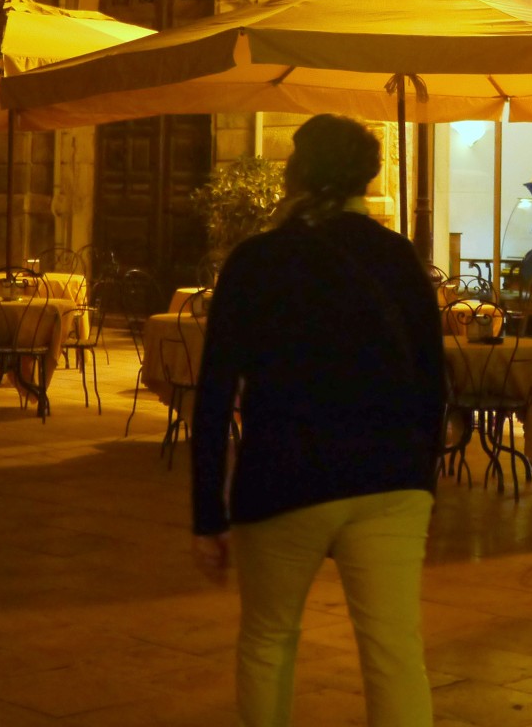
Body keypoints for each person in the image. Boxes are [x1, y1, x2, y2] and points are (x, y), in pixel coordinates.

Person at [191, 114, 444, 726]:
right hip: (391, 478)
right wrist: (423, 479)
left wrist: (208, 514)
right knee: (394, 651)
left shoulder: (257, 260)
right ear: (366, 176)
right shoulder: (399, 257)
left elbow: (215, 391)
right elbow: (433, 380)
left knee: (269, 638)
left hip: (284, 474)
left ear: (299, 172)